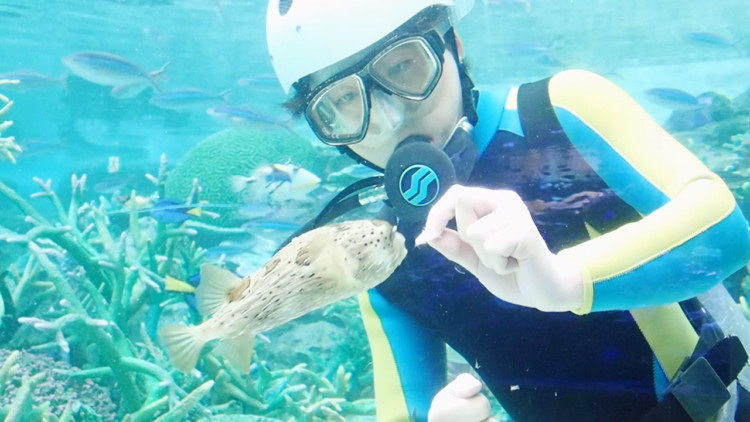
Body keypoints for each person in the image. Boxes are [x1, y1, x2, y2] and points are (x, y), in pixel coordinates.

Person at [265, 0, 750, 421]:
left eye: (404, 67)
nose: (391, 118)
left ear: (451, 43)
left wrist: (566, 280)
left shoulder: (558, 112)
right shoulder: (383, 254)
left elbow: (726, 231)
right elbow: (404, 412)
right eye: (345, 102)